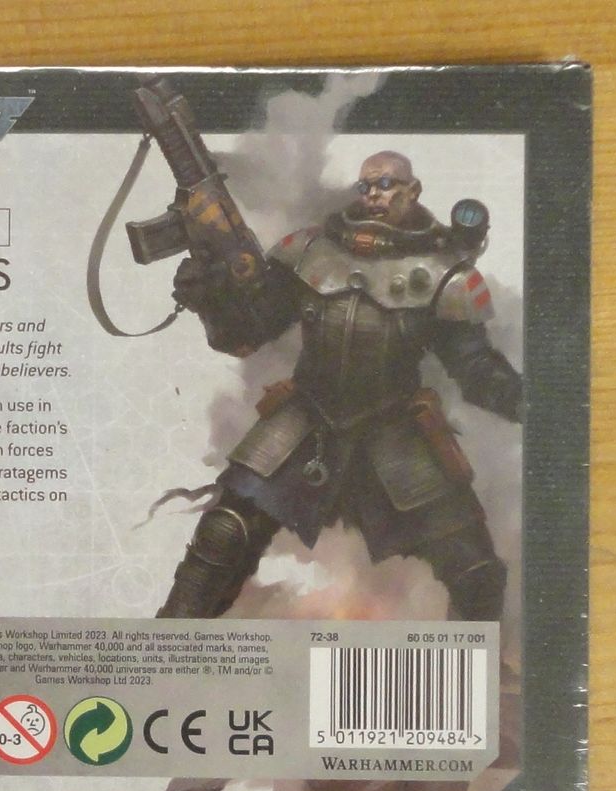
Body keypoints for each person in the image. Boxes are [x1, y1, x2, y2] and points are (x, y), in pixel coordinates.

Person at [159, 151, 521, 622]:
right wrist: (208, 297)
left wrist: (537, 405)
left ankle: (473, 665)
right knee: (223, 533)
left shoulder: (443, 272)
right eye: (366, 186)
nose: (374, 195)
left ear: (413, 191)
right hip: (306, 420)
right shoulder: (311, 251)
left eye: (386, 185)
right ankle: (169, 644)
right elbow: (246, 334)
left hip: (394, 431)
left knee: (476, 572)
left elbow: (475, 369)